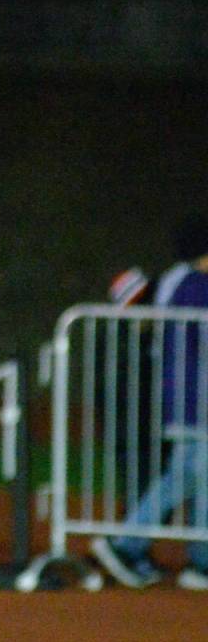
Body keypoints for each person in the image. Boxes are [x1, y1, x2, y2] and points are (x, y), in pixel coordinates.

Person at [91, 216, 208, 591]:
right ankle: (126, 544)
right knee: (188, 472)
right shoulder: (192, 284)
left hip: (188, 396)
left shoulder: (183, 281)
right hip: (194, 398)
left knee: (197, 475)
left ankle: (199, 561)